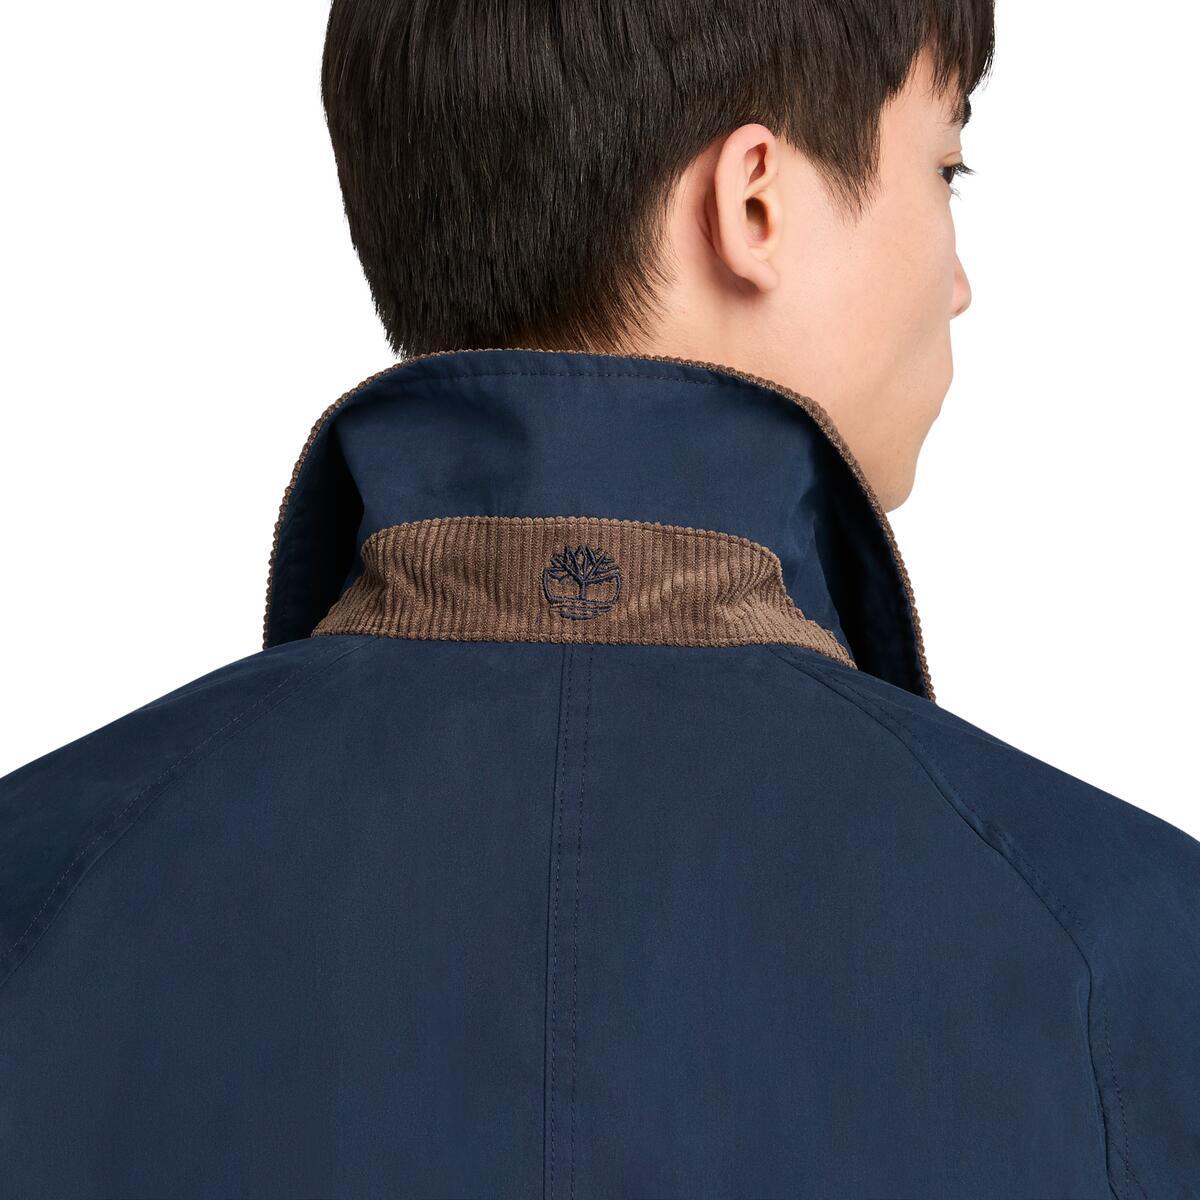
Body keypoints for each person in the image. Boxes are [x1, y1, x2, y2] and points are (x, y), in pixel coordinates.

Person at [1, 2, 1196, 1196]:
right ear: (755, 202)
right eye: (945, 168)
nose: (960, 285)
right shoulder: (1133, 950)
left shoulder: (37, 888)